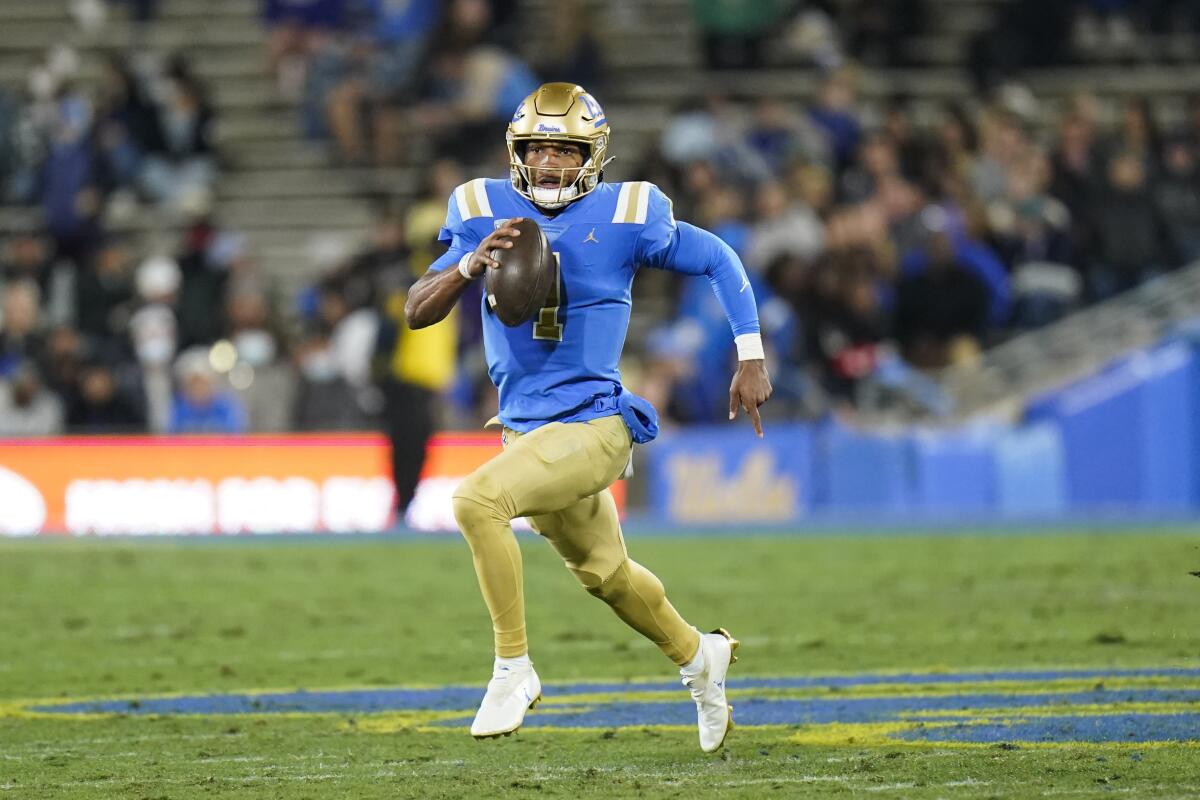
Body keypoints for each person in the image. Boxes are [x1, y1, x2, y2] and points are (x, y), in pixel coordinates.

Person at [404, 83, 772, 751]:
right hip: (526, 429)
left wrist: (750, 353)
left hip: (596, 421)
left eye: (564, 150)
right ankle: (700, 658)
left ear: (592, 155)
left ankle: (513, 668)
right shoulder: (479, 207)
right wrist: (467, 263)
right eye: (536, 148)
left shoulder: (630, 211)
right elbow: (417, 308)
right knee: (606, 574)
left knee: (475, 500)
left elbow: (717, 257)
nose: (548, 163)